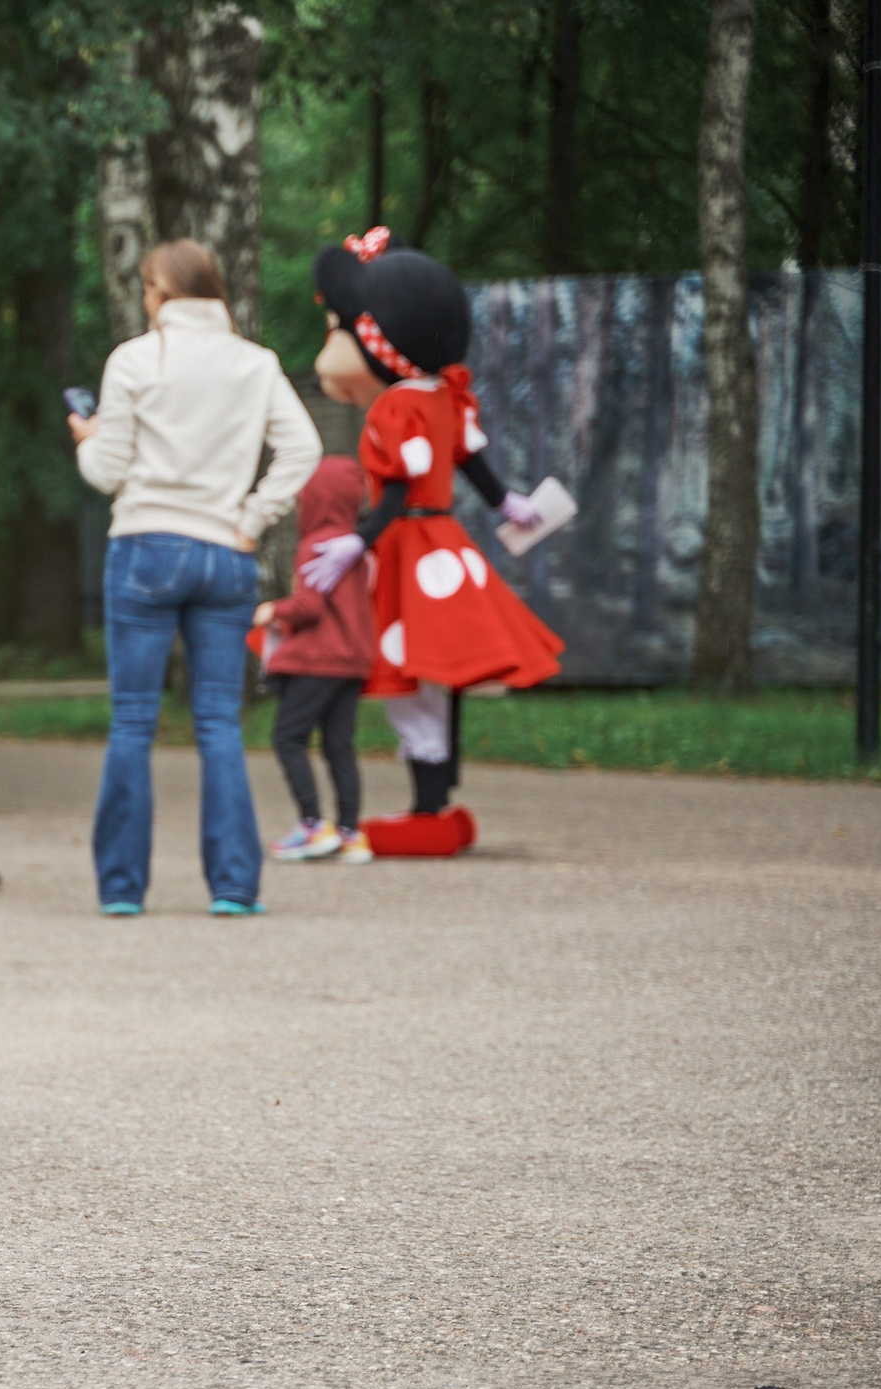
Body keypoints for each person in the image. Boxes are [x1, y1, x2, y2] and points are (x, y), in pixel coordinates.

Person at [71, 238, 321, 917]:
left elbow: (106, 472)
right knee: (218, 723)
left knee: (133, 722)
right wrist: (254, 517)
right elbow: (303, 448)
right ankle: (234, 887)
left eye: (146, 288)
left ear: (162, 292)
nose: (144, 299)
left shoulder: (134, 359)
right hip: (225, 552)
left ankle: (122, 889)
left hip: (145, 546)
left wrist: (87, 440)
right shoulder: (255, 362)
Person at [302, 232, 564, 855]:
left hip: (407, 544)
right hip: (444, 543)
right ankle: (436, 797)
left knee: (411, 674)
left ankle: (427, 809)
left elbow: (396, 489)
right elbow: (468, 460)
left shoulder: (394, 407)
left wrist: (359, 540)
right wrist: (506, 502)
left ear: (376, 339)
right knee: (437, 675)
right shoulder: (446, 396)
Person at [254, 457, 374, 863]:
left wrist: (273, 610)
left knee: (288, 738)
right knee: (339, 745)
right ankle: (351, 833)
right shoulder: (356, 546)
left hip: (317, 660)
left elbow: (310, 606)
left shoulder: (315, 544)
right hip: (352, 661)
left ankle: (311, 825)